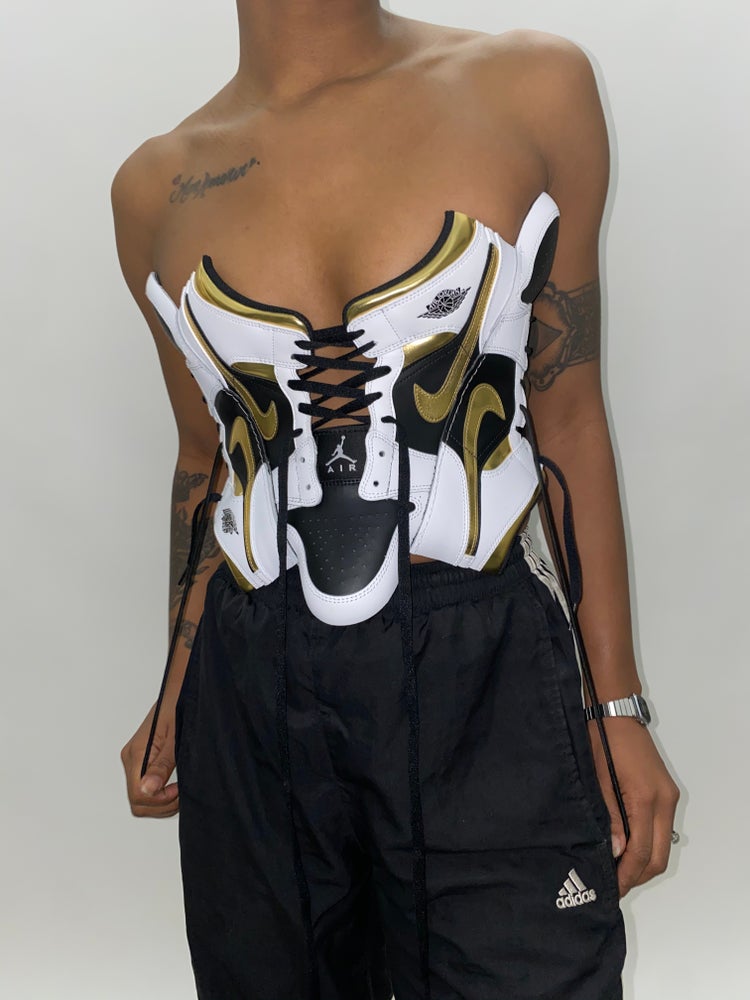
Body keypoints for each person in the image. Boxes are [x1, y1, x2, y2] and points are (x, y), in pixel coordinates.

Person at [112, 3, 680, 998]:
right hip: (252, 680)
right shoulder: (155, 185)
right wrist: (176, 681)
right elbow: (207, 463)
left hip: (482, 663)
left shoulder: (532, 87)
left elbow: (568, 415)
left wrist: (617, 702)